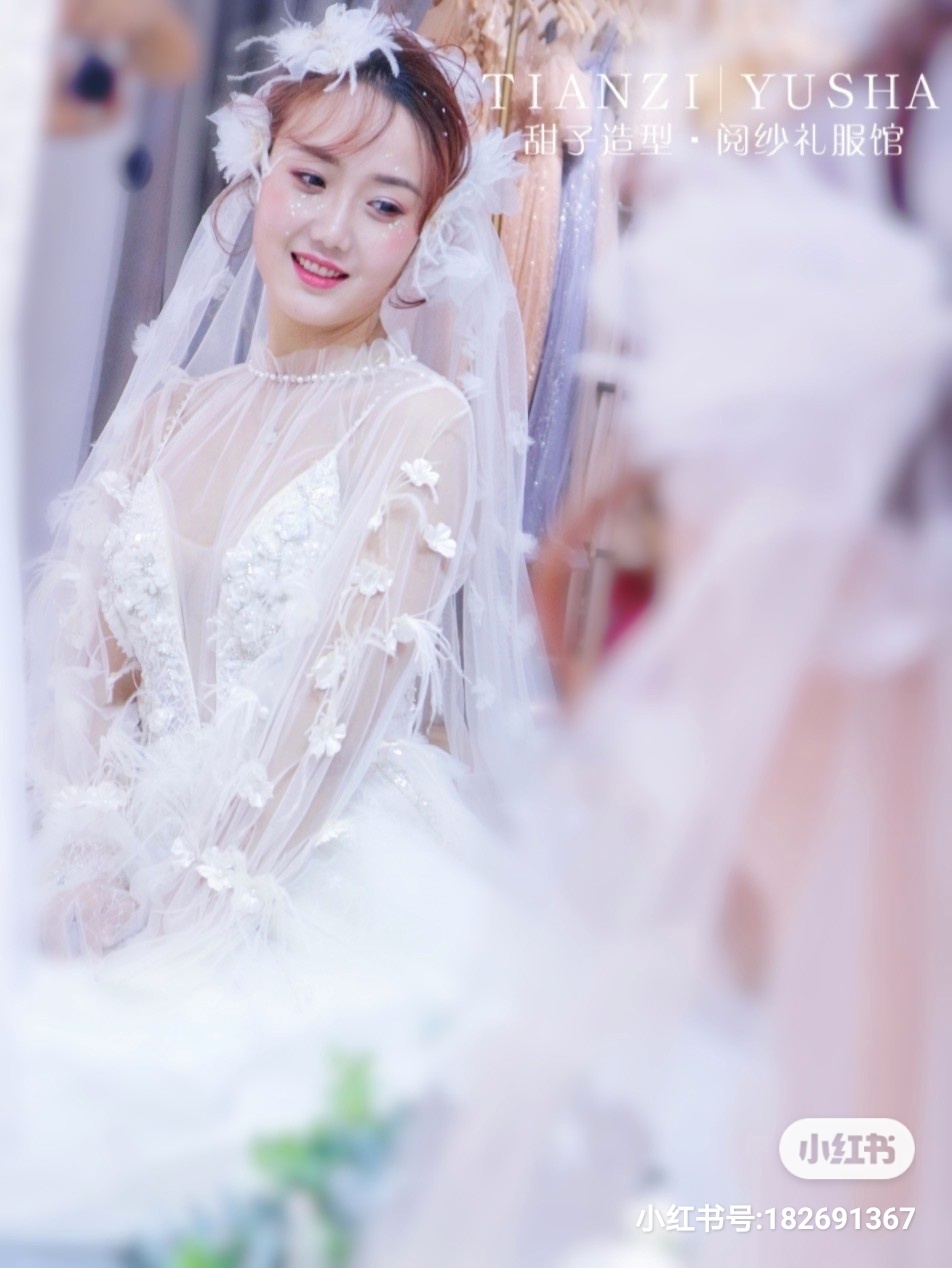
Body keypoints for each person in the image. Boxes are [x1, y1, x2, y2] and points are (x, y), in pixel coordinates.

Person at [4, 7, 547, 1241]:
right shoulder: (169, 411)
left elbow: (325, 715)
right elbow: (85, 670)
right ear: (257, 171)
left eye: (384, 203)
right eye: (311, 178)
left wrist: (186, 932)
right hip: (109, 859)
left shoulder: (419, 421)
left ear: (425, 236)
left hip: (298, 867)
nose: (332, 229)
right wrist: (79, 860)